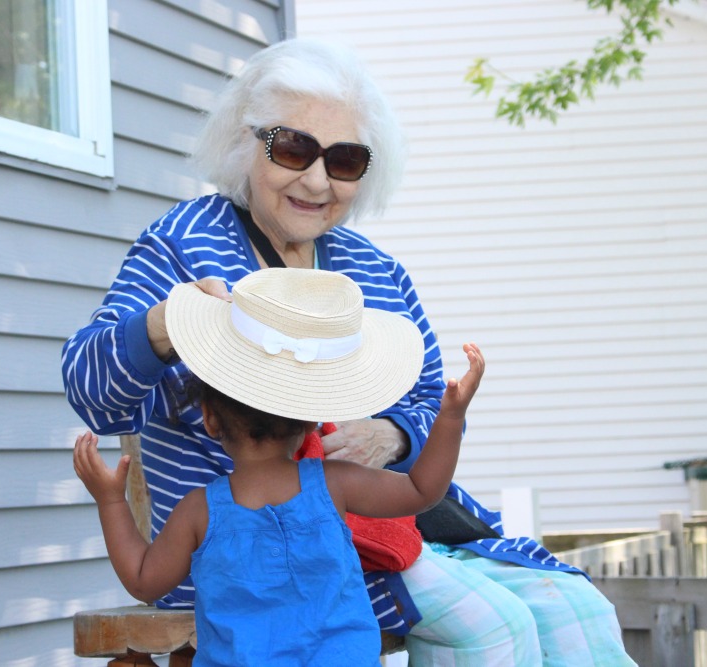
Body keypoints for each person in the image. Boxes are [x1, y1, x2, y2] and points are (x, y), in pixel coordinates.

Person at [62, 36, 635, 666]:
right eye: (293, 147)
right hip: (253, 559)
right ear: (244, 141)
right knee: (496, 630)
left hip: (385, 526)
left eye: (344, 160)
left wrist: (390, 434)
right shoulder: (181, 244)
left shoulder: (373, 269)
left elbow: (424, 395)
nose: (315, 179)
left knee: (578, 610)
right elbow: (91, 392)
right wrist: (168, 323)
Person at [73, 268, 485, 665]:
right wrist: (449, 418)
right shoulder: (335, 484)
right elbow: (423, 490)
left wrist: (110, 499)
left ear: (210, 419)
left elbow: (144, 579)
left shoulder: (199, 510)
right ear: (309, 420)